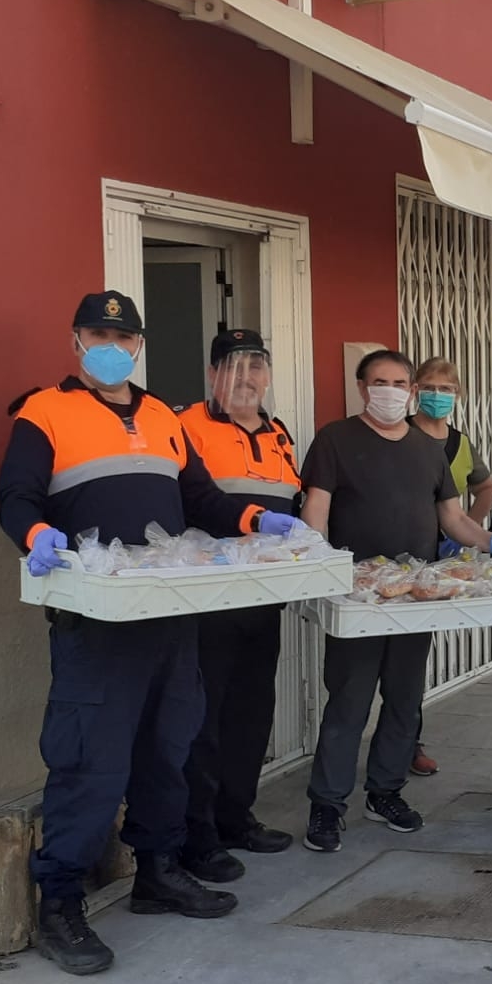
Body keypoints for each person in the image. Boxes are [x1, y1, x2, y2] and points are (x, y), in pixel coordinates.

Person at [0, 292, 300, 975]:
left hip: (170, 615)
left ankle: (158, 872)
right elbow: (16, 495)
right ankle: (61, 905)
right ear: (76, 338)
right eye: (98, 333)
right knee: (90, 763)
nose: (111, 344)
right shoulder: (43, 411)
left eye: (122, 335)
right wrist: (36, 533)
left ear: (138, 345)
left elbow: (200, 500)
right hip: (96, 623)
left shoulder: (164, 415)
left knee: (170, 750)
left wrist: (254, 520)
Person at [299, 350, 492, 846]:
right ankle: (327, 805)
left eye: (399, 382)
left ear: (410, 390)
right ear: (363, 387)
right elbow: (316, 510)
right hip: (359, 598)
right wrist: (320, 568)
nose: (390, 391)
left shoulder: (427, 450)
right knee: (349, 701)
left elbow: (454, 518)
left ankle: (386, 791)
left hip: (416, 595)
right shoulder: (336, 439)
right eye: (379, 381)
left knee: (404, 699)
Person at [174, 329, 301, 882]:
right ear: (212, 375)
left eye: (256, 366)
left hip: (263, 598)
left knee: (252, 712)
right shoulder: (185, 427)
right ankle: (196, 837)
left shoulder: (279, 434)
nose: (246, 378)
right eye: (233, 367)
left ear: (268, 376)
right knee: (205, 718)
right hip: (210, 599)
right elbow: (188, 503)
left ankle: (236, 817)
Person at [407, 357, 492, 780]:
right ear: (414, 390)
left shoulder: (460, 444)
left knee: (413, 658)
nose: (437, 396)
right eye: (429, 387)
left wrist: (470, 529)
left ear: (458, 395)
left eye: (446, 389)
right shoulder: (399, 434)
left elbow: (485, 485)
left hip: (439, 565)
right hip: (395, 562)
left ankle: (409, 741)